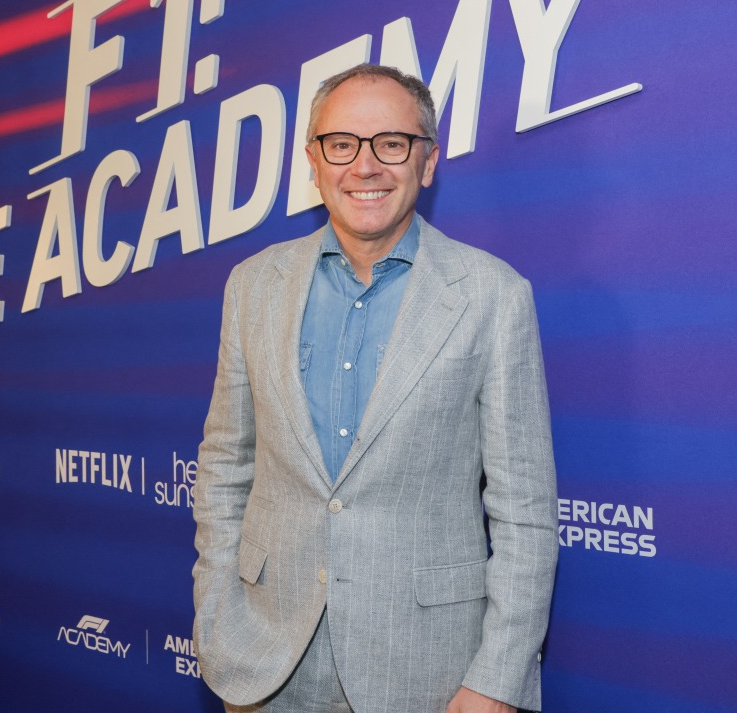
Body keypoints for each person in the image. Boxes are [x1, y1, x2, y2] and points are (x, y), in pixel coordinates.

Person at [192, 63, 557, 713]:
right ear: (313, 161)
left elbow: (524, 510)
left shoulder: (493, 296)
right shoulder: (253, 286)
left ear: (428, 161)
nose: (365, 166)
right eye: (341, 144)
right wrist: (219, 620)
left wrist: (497, 680)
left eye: (391, 143)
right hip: (265, 664)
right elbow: (225, 466)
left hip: (427, 674)